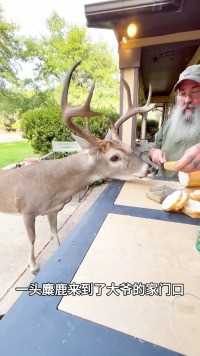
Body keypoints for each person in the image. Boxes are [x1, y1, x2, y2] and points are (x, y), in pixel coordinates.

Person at [149, 64, 200, 178]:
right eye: (182, 93)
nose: (187, 100)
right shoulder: (170, 122)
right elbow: (154, 147)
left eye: (195, 92)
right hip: (161, 186)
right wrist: (154, 153)